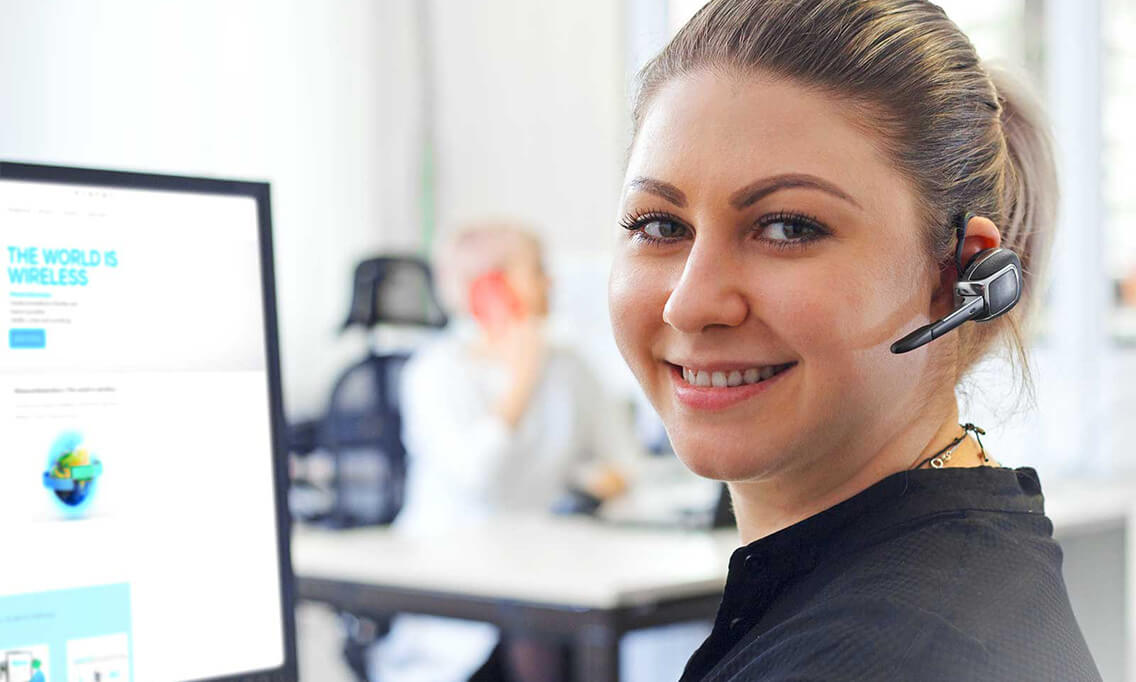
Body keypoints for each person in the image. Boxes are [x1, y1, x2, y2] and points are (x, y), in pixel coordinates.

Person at [607, 1, 1102, 680]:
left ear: (955, 274)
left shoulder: (889, 654)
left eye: (787, 228)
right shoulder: (925, 584)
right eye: (659, 225)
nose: (691, 304)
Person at [370, 220, 642, 682]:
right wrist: (520, 380)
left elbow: (624, 461)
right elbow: (478, 477)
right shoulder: (435, 372)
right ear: (489, 287)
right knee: (532, 637)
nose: (551, 283)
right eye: (537, 271)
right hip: (456, 593)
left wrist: (588, 482)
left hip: (550, 579)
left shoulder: (571, 367)